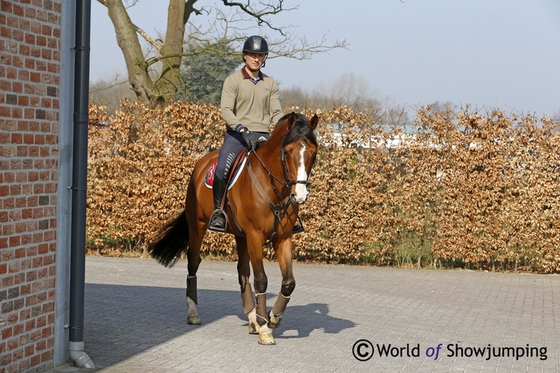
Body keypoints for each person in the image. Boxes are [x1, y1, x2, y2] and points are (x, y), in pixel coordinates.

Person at [209, 35, 294, 233]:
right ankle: (218, 212)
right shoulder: (233, 81)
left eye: (261, 55)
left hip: (263, 135)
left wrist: (284, 128)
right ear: (245, 56)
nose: (257, 59)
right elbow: (226, 111)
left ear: (264, 58)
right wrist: (241, 129)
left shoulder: (270, 84)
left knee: (285, 168)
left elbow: (276, 112)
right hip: (237, 136)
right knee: (222, 168)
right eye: (253, 55)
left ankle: (289, 215)